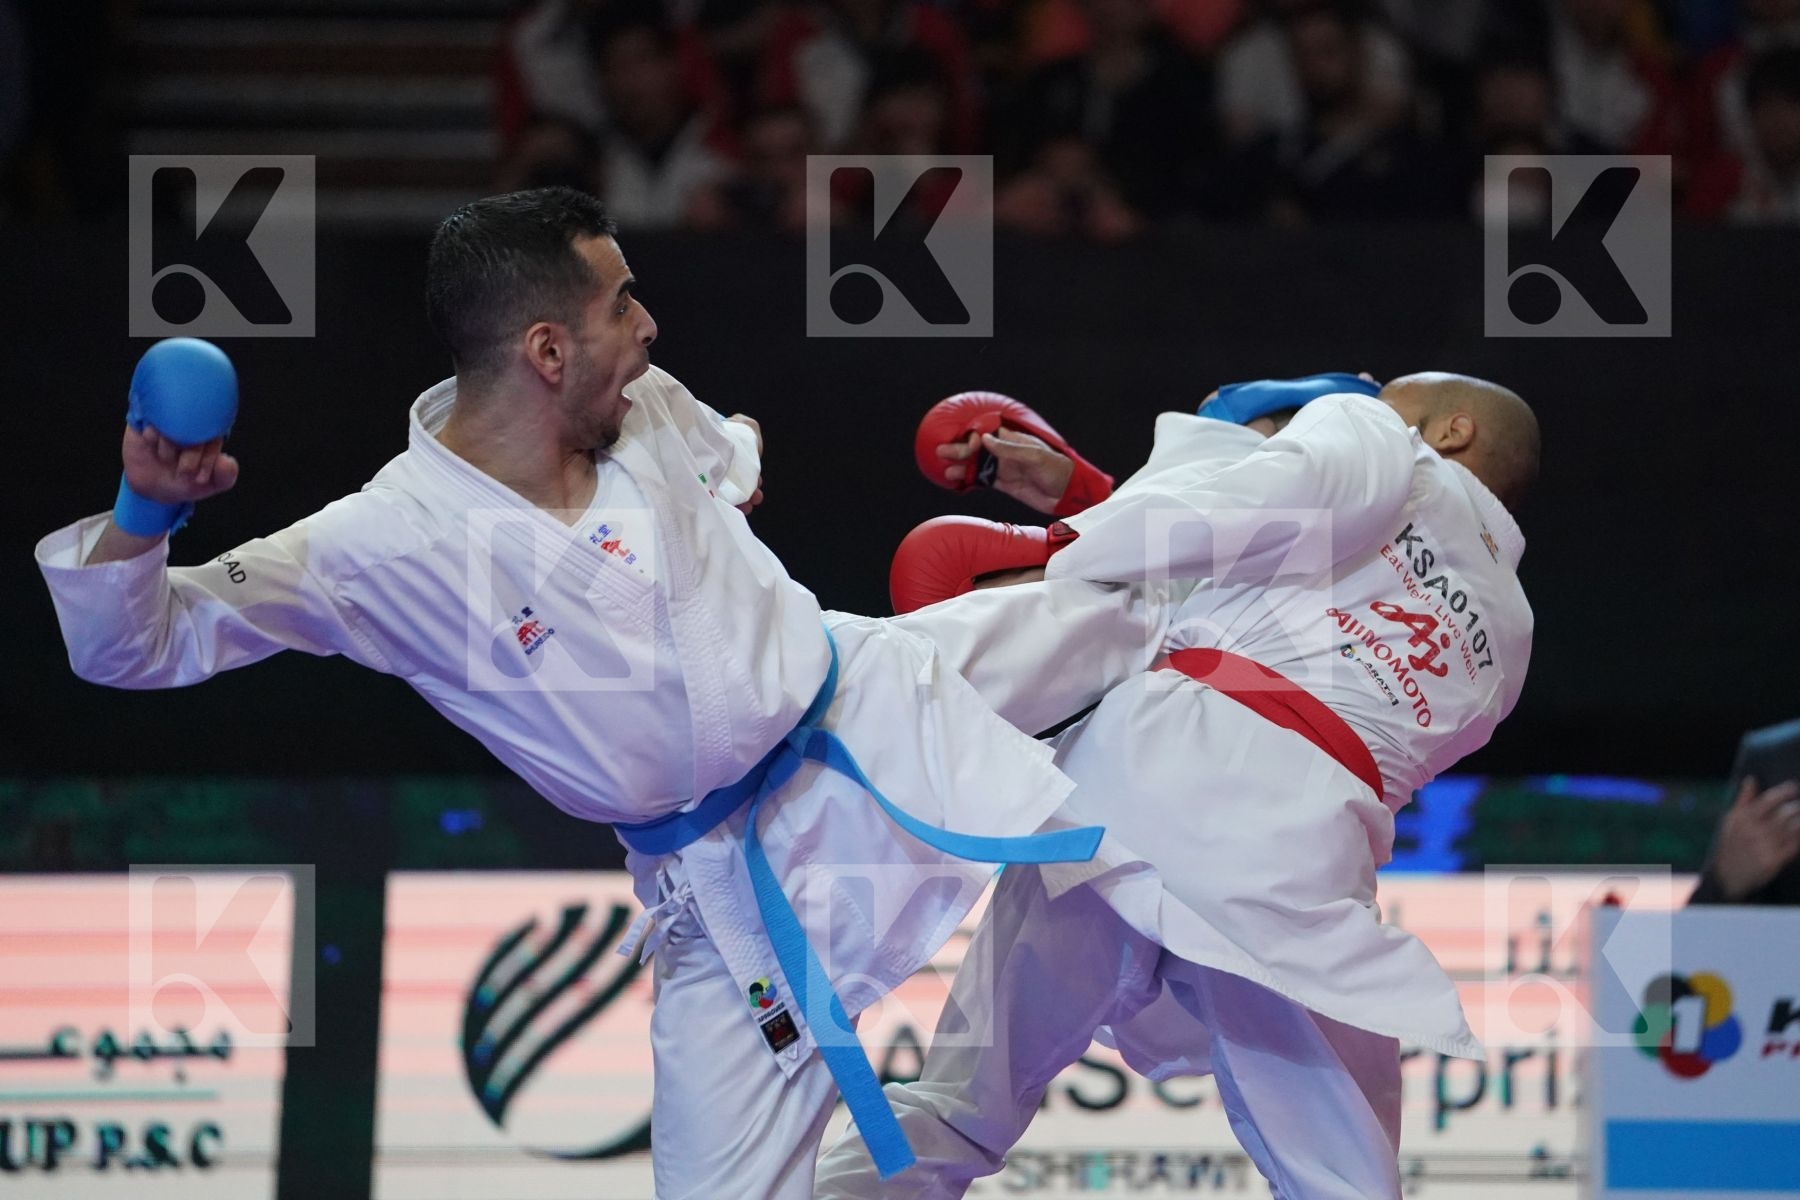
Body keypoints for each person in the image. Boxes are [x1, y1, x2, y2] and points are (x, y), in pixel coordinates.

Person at [34, 187, 1183, 1199]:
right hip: (735, 899)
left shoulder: (642, 404)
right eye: (623, 304)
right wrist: (147, 515)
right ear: (545, 348)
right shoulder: (383, 549)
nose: (648, 326)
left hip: (875, 710)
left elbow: (735, 467)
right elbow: (139, 647)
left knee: (1155, 623)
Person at [820, 371, 1539, 1199]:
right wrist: (1087, 493)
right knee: (1343, 1175)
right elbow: (1268, 584)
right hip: (1296, 866)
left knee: (959, 1105)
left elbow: (1253, 501)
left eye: (1398, 406)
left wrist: (1071, 544)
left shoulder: (1386, 448)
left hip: (1137, 784)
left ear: (1450, 432)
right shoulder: (1510, 640)